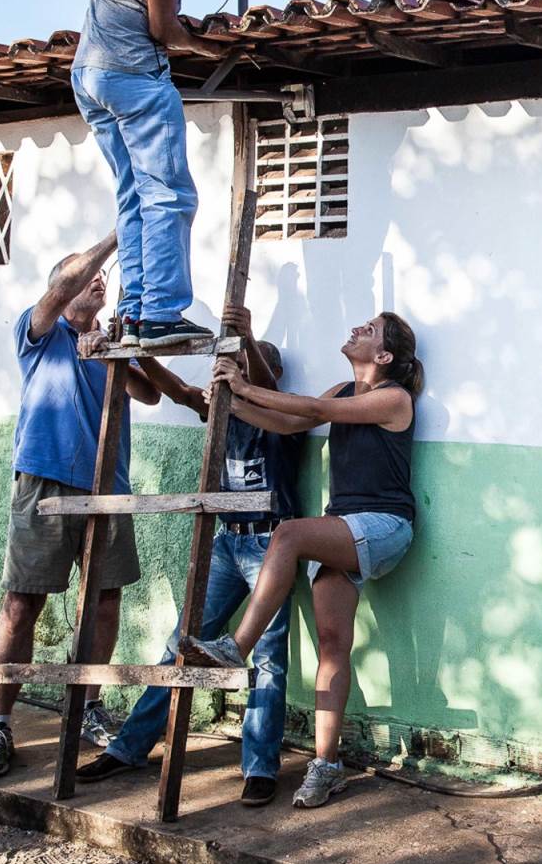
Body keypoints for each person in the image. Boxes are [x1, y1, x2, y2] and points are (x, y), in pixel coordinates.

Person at [178, 313, 423, 811]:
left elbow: (308, 405)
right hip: (345, 527)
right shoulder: (341, 389)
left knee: (287, 534)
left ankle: (235, 647)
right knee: (333, 644)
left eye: (370, 329)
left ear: (384, 357)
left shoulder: (394, 397)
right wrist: (234, 399)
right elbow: (290, 421)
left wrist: (245, 382)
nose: (356, 328)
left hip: (383, 525)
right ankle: (326, 764)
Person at [75, 308, 301, 806]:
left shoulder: (286, 413)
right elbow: (178, 390)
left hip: (271, 543)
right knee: (182, 643)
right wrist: (142, 353)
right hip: (226, 540)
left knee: (266, 658)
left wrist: (246, 344)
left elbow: (267, 386)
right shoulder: (220, 409)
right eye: (237, 363)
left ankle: (259, 767)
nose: (239, 370)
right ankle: (131, 747)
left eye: (250, 364)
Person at [0, 234, 162, 778]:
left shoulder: (108, 344)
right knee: (20, 605)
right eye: (87, 277)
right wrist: (119, 237)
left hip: (107, 488)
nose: (97, 281)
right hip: (45, 484)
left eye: (101, 279)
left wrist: (117, 350)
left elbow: (148, 394)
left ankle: (87, 706)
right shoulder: (39, 333)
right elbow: (60, 287)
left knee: (104, 604)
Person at [72, 0, 236, 349]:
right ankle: (162, 312)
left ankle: (137, 311)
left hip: (91, 76)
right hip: (135, 77)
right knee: (170, 194)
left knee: (134, 196)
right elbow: (163, 26)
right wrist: (205, 47)